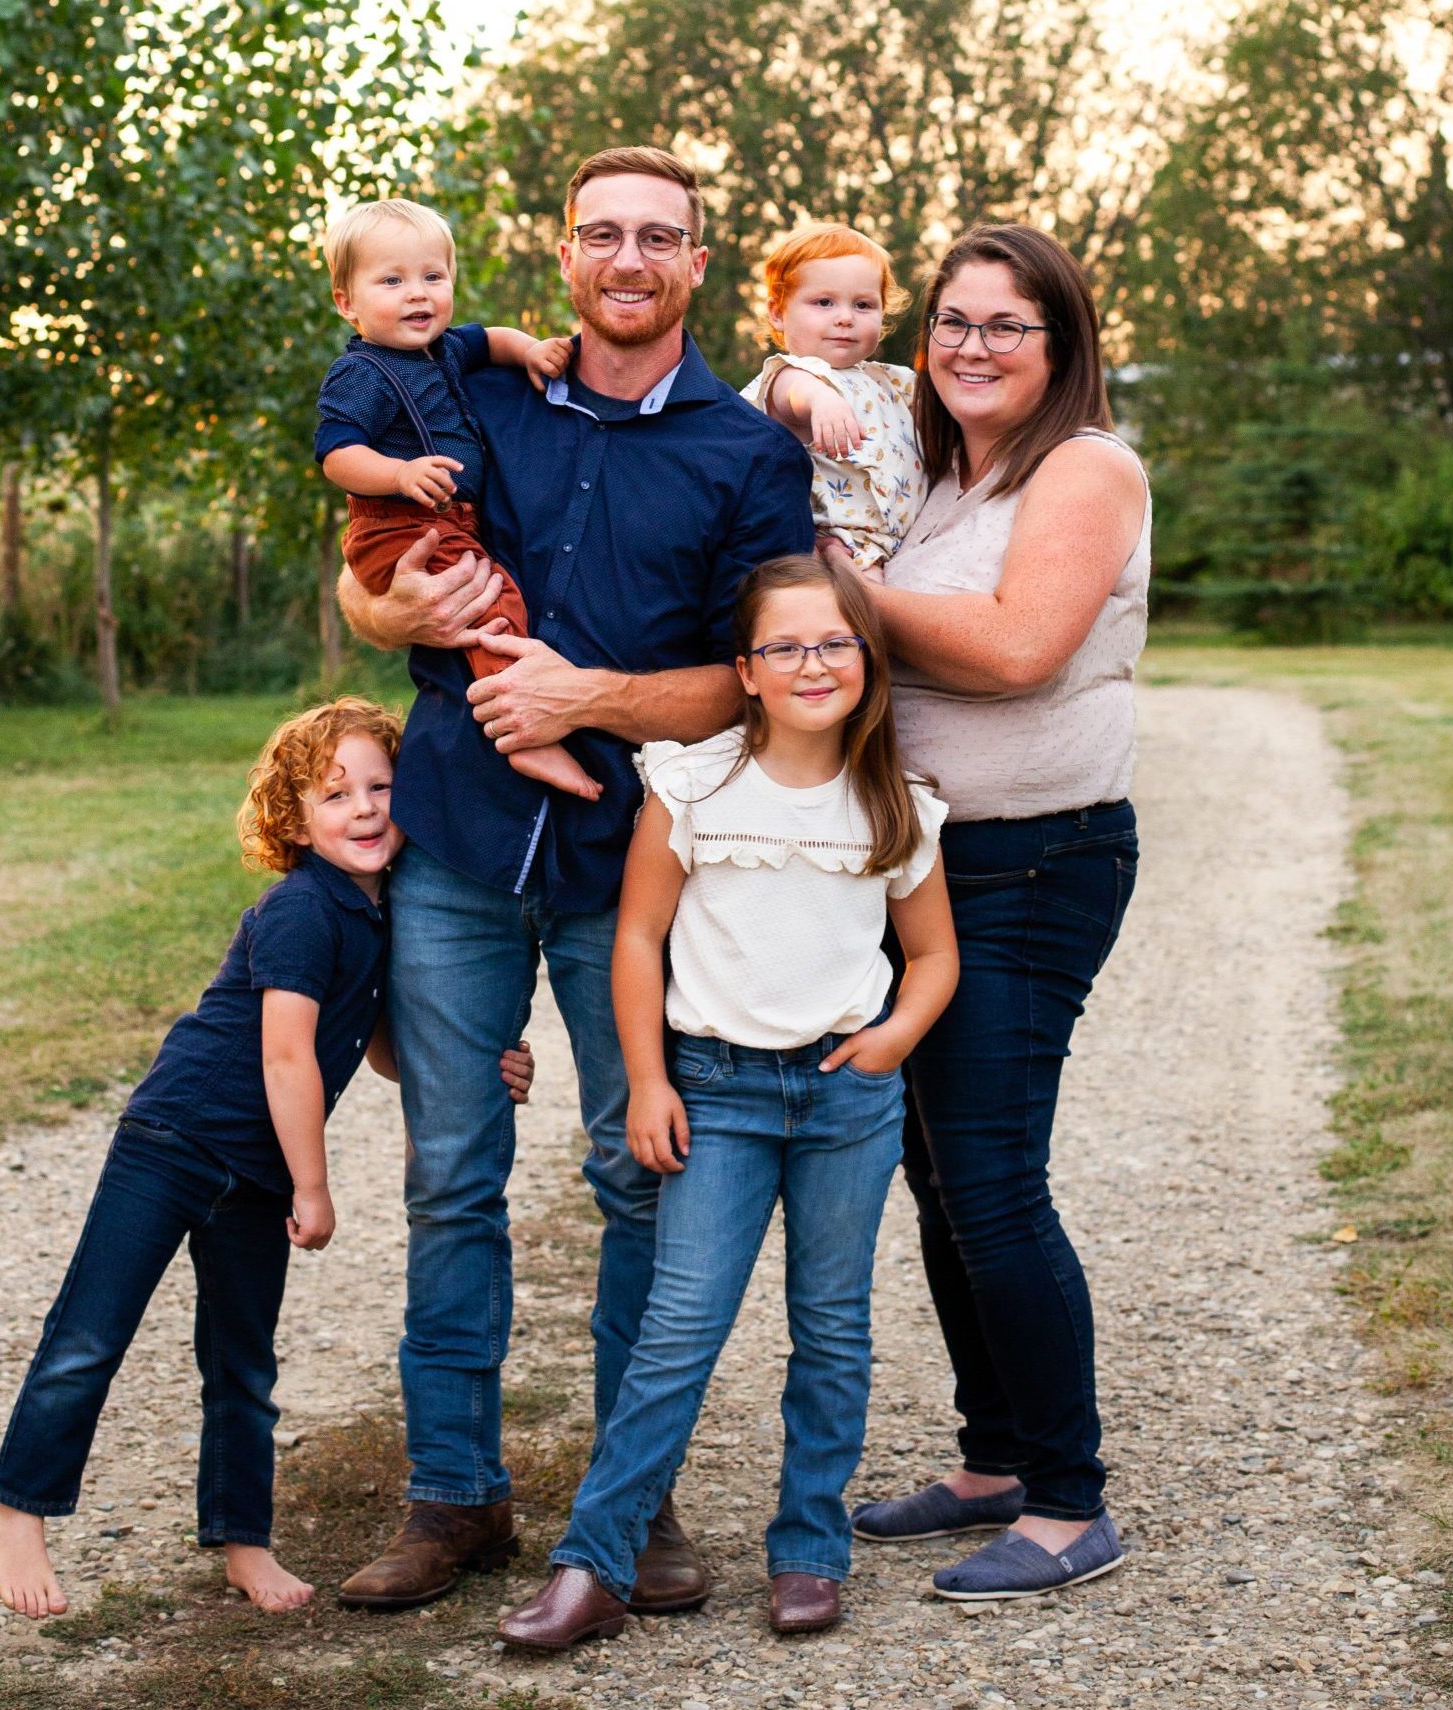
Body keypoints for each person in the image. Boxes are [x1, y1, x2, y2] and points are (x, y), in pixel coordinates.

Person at [332, 147, 815, 1615]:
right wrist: (381, 603)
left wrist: (585, 698)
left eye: (655, 237)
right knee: (446, 1173)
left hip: (633, 867)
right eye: (600, 232)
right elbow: (368, 572)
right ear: (562, 256)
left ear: (695, 266)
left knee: (637, 1171)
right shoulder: (465, 389)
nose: (626, 257)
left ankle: (631, 1495)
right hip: (460, 845)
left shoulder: (746, 450)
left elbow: (761, 684)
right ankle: (454, 1494)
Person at [0, 698, 535, 1620]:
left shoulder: (384, 914)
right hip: (173, 1144)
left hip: (254, 1178)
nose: (362, 809)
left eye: (381, 787)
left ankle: (244, 1545)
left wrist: (485, 1060)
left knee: (242, 1363)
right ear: (294, 819)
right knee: (89, 1336)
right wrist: (314, 1187)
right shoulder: (300, 911)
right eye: (334, 794)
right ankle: (19, 1510)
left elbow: (383, 1046)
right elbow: (287, 1054)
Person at [497, 555, 958, 1649]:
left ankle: (807, 1553)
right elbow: (637, 937)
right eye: (784, 646)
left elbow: (933, 956)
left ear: (865, 660)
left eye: (834, 643)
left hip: (845, 1097)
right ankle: (594, 1563)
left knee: (831, 1330)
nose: (812, 663)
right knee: (676, 1331)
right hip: (715, 1093)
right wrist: (647, 1079)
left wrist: (891, 1036)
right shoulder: (691, 783)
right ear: (744, 671)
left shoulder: (893, 798)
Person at [847, 224, 1150, 1602]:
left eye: (1004, 325)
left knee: (989, 1172)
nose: (971, 345)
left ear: (1059, 344)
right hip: (923, 867)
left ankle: (1069, 1499)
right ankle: (992, 1455)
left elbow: (1024, 649)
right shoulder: (935, 485)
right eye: (952, 322)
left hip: (1031, 864)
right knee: (936, 1169)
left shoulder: (1084, 467)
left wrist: (839, 590)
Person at [315, 199, 596, 802]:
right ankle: (523, 731)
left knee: (494, 595)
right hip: (397, 522)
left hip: (441, 517)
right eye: (391, 281)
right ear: (347, 303)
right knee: (493, 605)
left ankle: (519, 715)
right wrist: (398, 473)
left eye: (432, 277)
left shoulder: (443, 350)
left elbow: (491, 338)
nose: (417, 294)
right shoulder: (364, 373)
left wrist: (528, 351)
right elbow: (336, 454)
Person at [741, 223, 924, 583]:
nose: (845, 317)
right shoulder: (792, 373)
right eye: (824, 302)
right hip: (833, 550)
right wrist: (821, 400)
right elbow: (792, 394)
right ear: (777, 312)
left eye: (863, 305)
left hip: (902, 547)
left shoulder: (887, 380)